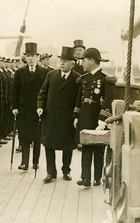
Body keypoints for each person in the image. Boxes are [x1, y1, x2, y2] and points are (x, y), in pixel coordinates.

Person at [73, 48, 117, 187]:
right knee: (86, 146)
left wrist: (103, 120)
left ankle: (98, 177)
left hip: (98, 117)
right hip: (85, 115)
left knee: (99, 148)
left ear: (91, 61)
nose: (82, 64)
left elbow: (110, 99)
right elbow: (79, 98)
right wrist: (76, 115)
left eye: (84, 60)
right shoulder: (84, 78)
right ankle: (85, 177)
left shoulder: (105, 79)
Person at [37, 46, 80, 183]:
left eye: (66, 61)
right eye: (61, 60)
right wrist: (40, 107)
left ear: (72, 63)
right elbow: (42, 94)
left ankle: (66, 170)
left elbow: (78, 100)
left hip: (68, 119)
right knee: (49, 145)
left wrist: (76, 116)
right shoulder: (51, 75)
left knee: (68, 146)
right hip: (51, 117)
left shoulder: (77, 78)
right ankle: (51, 172)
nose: (62, 63)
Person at [12, 42, 48, 171]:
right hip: (24, 109)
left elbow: (46, 92)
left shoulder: (44, 72)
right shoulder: (19, 72)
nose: (31, 58)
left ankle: (35, 162)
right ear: (25, 57)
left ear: (37, 57)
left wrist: (44, 107)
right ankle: (24, 162)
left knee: (37, 137)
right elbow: (14, 91)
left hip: (37, 109)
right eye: (28, 55)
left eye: (33, 55)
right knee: (24, 135)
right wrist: (14, 107)